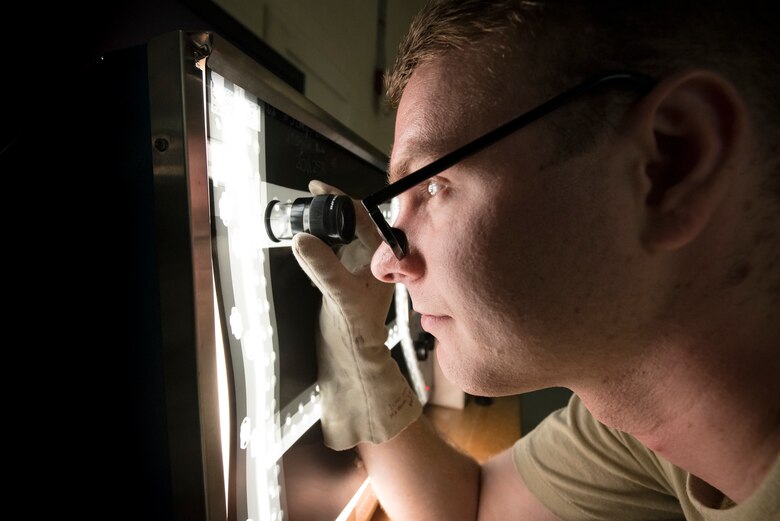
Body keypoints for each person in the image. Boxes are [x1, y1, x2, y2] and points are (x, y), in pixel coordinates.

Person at [292, 1, 780, 519]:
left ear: (669, 166)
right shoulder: (645, 428)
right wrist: (360, 353)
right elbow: (471, 510)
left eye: (433, 184)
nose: (385, 265)